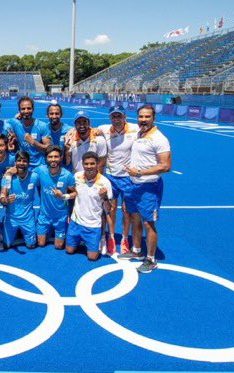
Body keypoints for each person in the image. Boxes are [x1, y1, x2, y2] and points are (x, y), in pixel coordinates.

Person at [121, 105, 171, 274]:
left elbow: (166, 166)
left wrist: (140, 172)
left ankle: (151, 259)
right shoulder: (139, 133)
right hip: (133, 185)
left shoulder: (159, 138)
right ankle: (136, 250)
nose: (143, 120)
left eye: (147, 117)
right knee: (135, 218)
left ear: (153, 118)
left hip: (149, 187)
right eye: (141, 116)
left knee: (149, 223)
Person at [97, 105, 139, 255]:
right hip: (111, 177)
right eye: (114, 116)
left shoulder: (135, 129)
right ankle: (112, 237)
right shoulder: (104, 129)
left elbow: (151, 131)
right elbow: (89, 130)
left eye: (119, 116)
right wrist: (71, 132)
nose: (116, 119)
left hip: (128, 178)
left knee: (127, 211)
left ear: (124, 117)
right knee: (111, 209)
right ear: (110, 118)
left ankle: (125, 239)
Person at [65, 152, 113, 261]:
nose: (89, 167)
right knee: (69, 250)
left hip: (93, 226)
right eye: (86, 164)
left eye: (92, 164)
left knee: (92, 257)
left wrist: (105, 197)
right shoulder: (77, 176)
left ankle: (100, 239)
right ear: (82, 164)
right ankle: (80, 239)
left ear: (97, 164)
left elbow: (109, 209)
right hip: (75, 223)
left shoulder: (105, 183)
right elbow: (72, 194)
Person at [33, 146, 75, 249]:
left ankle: (56, 230)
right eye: (50, 157)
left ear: (61, 158)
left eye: (56, 156)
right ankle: (48, 230)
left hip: (61, 216)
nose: (53, 159)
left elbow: (75, 193)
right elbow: (25, 172)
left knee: (59, 246)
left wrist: (64, 196)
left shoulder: (67, 175)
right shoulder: (40, 170)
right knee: (41, 243)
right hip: (44, 216)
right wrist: (11, 171)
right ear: (46, 158)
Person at [0, 151, 37, 249]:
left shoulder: (34, 177)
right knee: (6, 245)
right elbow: (3, 195)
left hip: (27, 218)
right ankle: (14, 229)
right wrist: (5, 200)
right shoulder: (8, 177)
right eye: (19, 160)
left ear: (28, 163)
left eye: (24, 161)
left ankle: (22, 231)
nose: (21, 163)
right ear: (15, 162)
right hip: (12, 219)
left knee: (31, 245)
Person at [5, 96, 51, 168]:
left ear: (33, 109)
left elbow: (48, 149)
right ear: (19, 111)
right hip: (23, 164)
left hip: (40, 165)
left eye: (29, 108)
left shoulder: (42, 126)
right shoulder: (15, 123)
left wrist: (33, 142)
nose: (26, 111)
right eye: (23, 109)